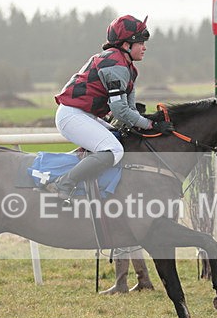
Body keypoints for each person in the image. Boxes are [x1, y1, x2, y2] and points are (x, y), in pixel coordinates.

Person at [54, 14, 174, 200]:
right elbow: (120, 111)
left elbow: (129, 109)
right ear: (126, 45)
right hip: (72, 115)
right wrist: (151, 125)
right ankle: (65, 182)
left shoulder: (128, 68)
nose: (145, 47)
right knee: (113, 150)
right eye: (141, 42)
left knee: (122, 138)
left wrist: (147, 120)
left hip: (85, 115)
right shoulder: (115, 65)